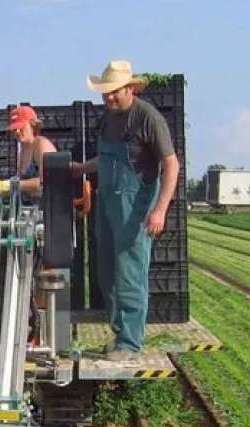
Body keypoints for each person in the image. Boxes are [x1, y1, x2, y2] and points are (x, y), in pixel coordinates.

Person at [70, 60, 180, 360]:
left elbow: (171, 164)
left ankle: (131, 343)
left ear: (130, 88)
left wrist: (160, 210)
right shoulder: (109, 117)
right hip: (108, 203)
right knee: (106, 272)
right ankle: (120, 334)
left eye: (114, 92)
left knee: (130, 274)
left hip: (135, 209)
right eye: (105, 92)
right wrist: (80, 168)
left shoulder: (148, 118)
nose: (108, 97)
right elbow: (107, 159)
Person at [7, 105, 57, 198]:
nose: (17, 131)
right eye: (14, 129)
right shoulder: (23, 150)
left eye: (21, 127)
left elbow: (45, 182)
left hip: (52, 202)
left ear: (32, 125)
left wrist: (11, 184)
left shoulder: (41, 144)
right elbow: (19, 180)